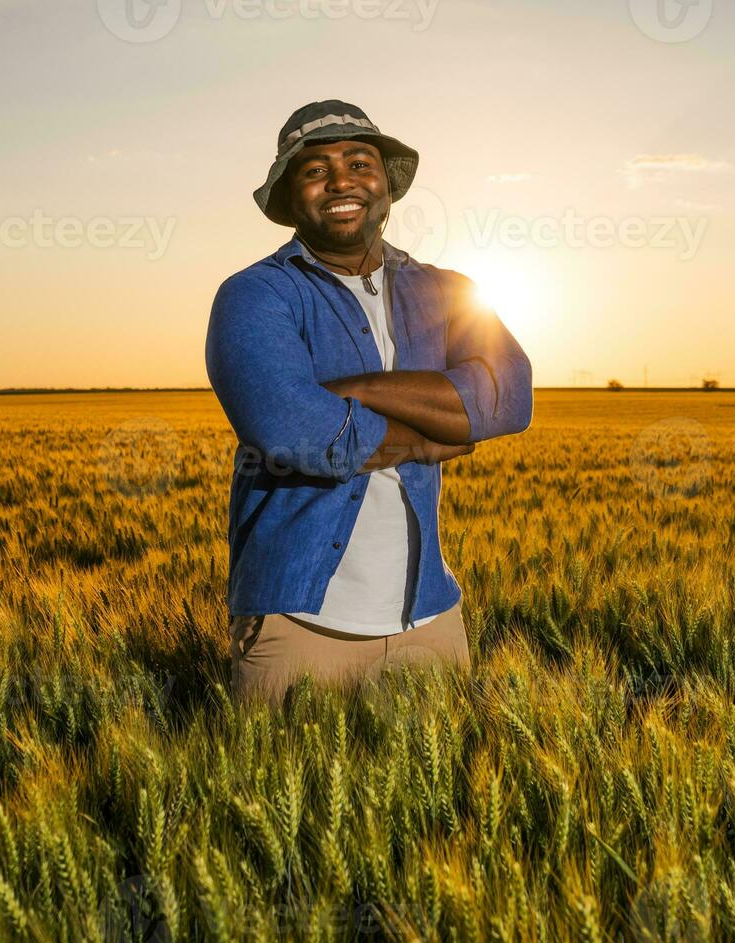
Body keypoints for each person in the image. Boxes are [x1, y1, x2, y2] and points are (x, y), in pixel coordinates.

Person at [206, 99, 533, 704]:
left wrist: (358, 390)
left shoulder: (449, 290)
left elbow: (507, 400)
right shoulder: (254, 296)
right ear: (290, 196)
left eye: (360, 162)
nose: (340, 181)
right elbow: (294, 431)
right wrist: (438, 433)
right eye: (314, 169)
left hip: (428, 619)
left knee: (439, 797)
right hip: (298, 622)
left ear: (386, 185)